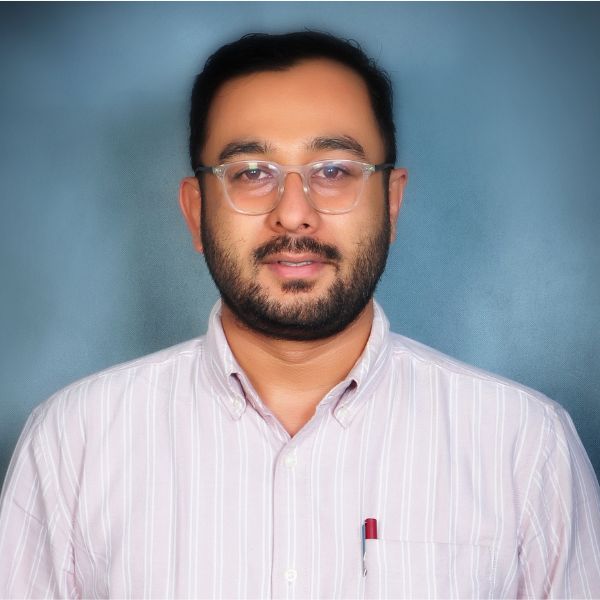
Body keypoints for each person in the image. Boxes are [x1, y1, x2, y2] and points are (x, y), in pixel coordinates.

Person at [0, 30, 599, 600]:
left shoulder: (524, 449)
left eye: (334, 171)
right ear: (195, 210)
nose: (293, 213)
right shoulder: (73, 446)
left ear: (392, 203)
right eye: (251, 173)